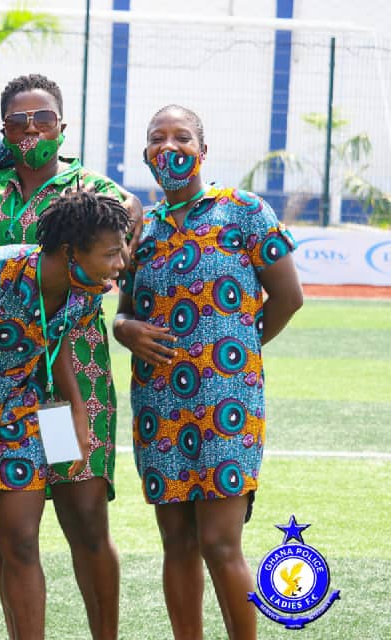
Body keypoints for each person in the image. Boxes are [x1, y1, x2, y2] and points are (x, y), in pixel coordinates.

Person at [114, 104, 303, 640]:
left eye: (181, 138)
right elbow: (125, 307)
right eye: (157, 138)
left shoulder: (243, 210)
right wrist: (123, 329)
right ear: (146, 153)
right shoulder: (143, 230)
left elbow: (288, 298)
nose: (168, 147)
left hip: (227, 404)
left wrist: (234, 353)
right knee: (176, 543)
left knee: (221, 543)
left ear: (203, 150)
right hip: (159, 406)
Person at [0, 74, 141, 640]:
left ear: (62, 126)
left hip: (71, 378)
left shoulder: (89, 187)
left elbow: (128, 221)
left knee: (83, 517)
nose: (30, 130)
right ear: (4, 130)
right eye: (17, 121)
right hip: (7, 385)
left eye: (42, 118)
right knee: (16, 532)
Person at [0, 191, 132, 640]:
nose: (120, 263)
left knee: (21, 541)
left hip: (17, 413)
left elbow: (54, 351)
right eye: (112, 253)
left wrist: (77, 414)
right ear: (72, 251)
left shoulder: (85, 291)